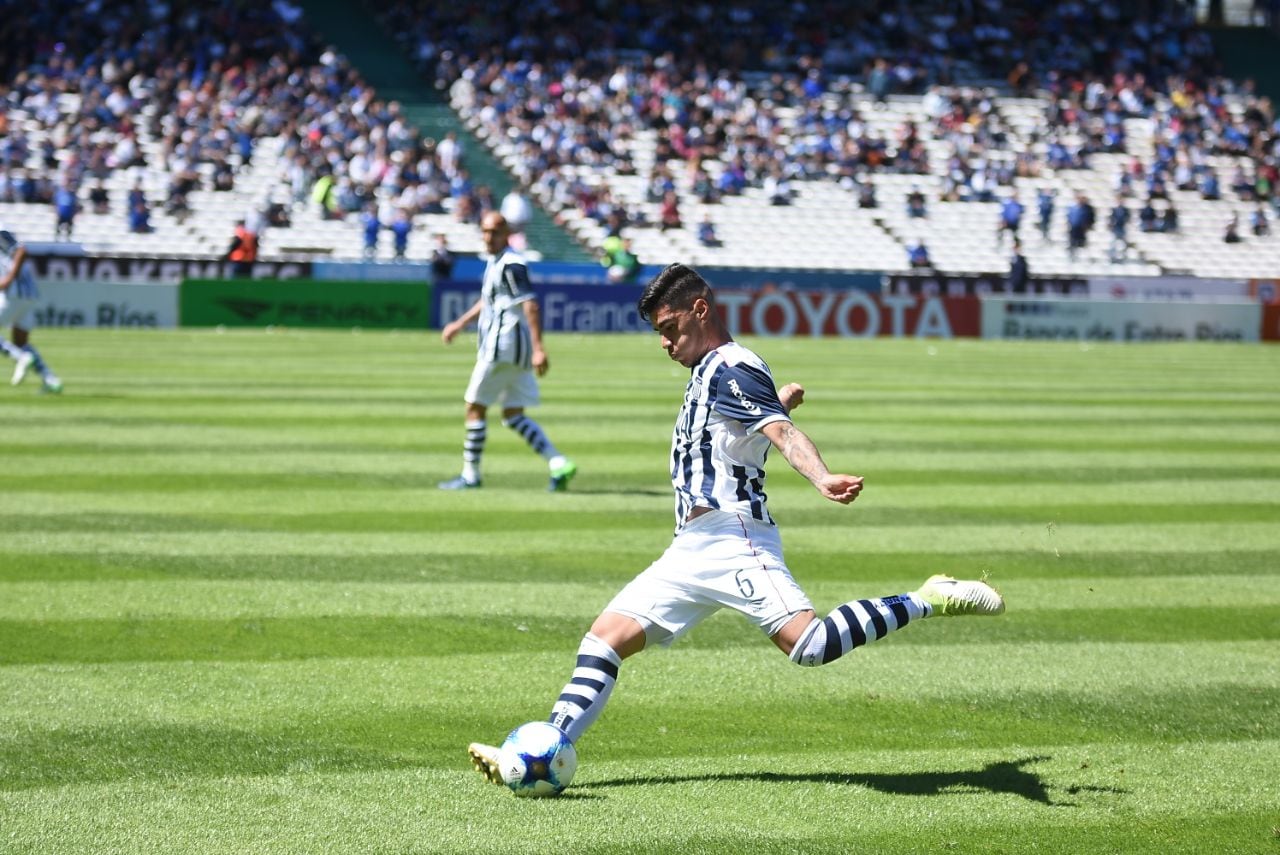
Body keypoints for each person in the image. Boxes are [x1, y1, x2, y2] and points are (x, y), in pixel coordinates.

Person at [465, 263, 1004, 786]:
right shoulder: (714, 371)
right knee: (603, 642)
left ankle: (930, 597)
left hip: (734, 537)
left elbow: (781, 434)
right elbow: (742, 428)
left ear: (700, 310)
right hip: (689, 549)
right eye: (659, 333)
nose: (665, 343)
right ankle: (546, 744)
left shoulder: (731, 366)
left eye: (670, 329)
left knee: (808, 644)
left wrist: (820, 476)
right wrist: (777, 403)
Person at [438, 211, 577, 492]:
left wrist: (540, 348)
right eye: (486, 232)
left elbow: (531, 304)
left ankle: (470, 476)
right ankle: (558, 462)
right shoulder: (496, 262)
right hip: (513, 350)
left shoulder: (512, 264)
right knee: (513, 414)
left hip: (502, 347)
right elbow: (488, 301)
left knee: (474, 408)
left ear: (506, 234)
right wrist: (460, 323)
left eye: (494, 232)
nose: (489, 237)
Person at [0, 229, 62, 393]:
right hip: (27, 295)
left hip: (13, 293)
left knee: (20, 349)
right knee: (21, 341)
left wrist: (9, 278)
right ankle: (50, 380)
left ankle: (19, 357)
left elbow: (21, 250)